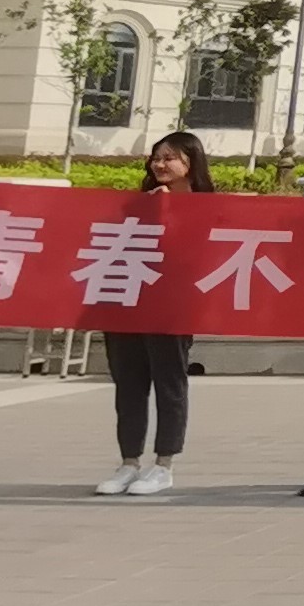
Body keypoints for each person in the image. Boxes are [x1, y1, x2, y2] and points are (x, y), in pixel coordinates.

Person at [96, 133, 207, 496]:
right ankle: (129, 463)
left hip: (172, 309)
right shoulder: (137, 203)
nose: (159, 164)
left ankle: (163, 465)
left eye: (169, 158)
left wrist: (169, 213)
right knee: (128, 386)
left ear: (191, 163)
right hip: (128, 305)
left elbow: (199, 256)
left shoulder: (207, 206)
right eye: (156, 158)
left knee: (169, 385)